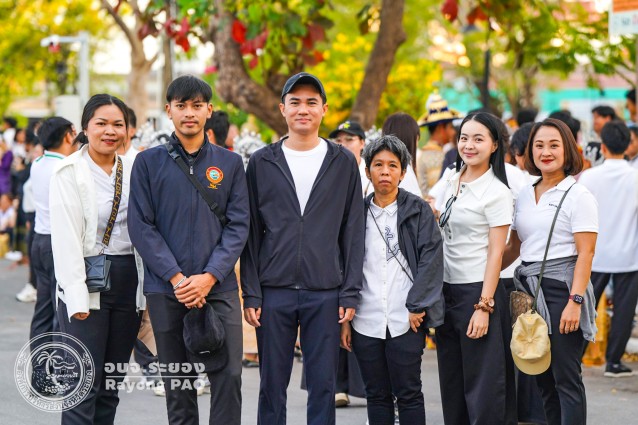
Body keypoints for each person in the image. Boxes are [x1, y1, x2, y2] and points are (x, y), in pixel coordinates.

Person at [241, 72, 364, 425]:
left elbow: (352, 231)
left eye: (311, 102)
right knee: (271, 385)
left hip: (324, 290)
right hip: (273, 290)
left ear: (324, 109)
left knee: (323, 385)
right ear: (283, 109)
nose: (303, 109)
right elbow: (251, 233)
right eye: (295, 102)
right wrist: (252, 292)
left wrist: (349, 292)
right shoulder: (262, 162)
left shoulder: (342, 162)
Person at [128, 75, 249, 425]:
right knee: (178, 384)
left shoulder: (230, 164)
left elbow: (238, 225)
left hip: (219, 288)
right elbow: (141, 226)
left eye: (197, 105)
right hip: (167, 290)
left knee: (228, 377)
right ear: (169, 110)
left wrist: (209, 277)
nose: (189, 113)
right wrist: (178, 279)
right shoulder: (148, 163)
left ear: (209, 110)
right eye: (181, 106)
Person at [49, 94, 145, 425]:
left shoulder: (135, 168)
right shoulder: (68, 172)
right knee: (82, 384)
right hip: (85, 280)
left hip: (129, 280)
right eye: (101, 123)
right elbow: (65, 241)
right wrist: (76, 297)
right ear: (85, 127)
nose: (110, 131)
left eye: (118, 124)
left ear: (127, 130)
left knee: (110, 385)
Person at [340, 135, 443, 425]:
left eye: (392, 165)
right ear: (367, 170)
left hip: (407, 318)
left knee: (409, 392)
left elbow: (431, 260)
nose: (385, 171)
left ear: (403, 172)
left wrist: (418, 305)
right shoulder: (355, 213)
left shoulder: (418, 210)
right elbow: (344, 265)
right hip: (365, 317)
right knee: (376, 394)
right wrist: (345, 318)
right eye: (378, 165)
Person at [503, 118, 598, 425]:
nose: (546, 152)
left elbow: (586, 253)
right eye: (539, 145)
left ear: (567, 149)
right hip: (529, 292)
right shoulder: (524, 193)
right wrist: (483, 275)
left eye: (554, 145)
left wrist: (575, 301)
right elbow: (515, 247)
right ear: (530, 151)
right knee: (541, 376)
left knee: (565, 378)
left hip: (562, 290)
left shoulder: (578, 195)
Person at [435, 112, 517, 425]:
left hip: (477, 291)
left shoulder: (497, 192)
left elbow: (496, 253)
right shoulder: (451, 180)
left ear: (495, 145)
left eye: (478, 139)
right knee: (452, 382)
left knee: (483, 386)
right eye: (464, 138)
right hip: (446, 291)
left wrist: (484, 305)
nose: (468, 145)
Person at [579, 120, 638, 377]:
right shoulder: (635, 176)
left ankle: (575, 355)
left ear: (602, 146)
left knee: (584, 307)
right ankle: (614, 362)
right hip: (629, 253)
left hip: (594, 253)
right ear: (627, 145)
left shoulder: (590, 177)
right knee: (624, 310)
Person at [29, 117, 77, 341]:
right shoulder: (65, 168)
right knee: (61, 311)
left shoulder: (37, 163)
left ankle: (40, 363)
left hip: (39, 240)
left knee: (43, 310)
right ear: (67, 136)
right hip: (58, 243)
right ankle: (59, 361)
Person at [416, 93, 459, 195]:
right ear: (440, 128)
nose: (453, 132)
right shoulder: (436, 156)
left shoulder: (428, 153)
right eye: (450, 127)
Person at [381, 112, 424, 197]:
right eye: (417, 139)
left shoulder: (378, 166)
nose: (417, 144)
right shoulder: (403, 172)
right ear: (410, 139)